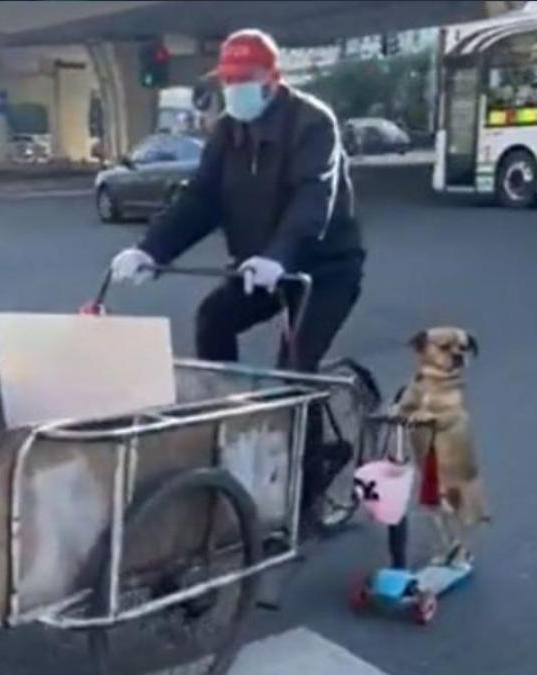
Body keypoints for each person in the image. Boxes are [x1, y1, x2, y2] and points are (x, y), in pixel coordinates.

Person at [108, 28, 365, 513]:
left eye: (244, 79)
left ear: (273, 79)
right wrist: (151, 250)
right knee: (213, 319)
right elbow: (201, 198)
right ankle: (226, 427)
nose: (235, 89)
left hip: (321, 269)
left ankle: (303, 493)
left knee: (295, 371)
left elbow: (314, 198)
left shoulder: (313, 124)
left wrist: (281, 257)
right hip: (258, 267)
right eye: (228, 80)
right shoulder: (228, 131)